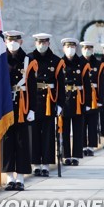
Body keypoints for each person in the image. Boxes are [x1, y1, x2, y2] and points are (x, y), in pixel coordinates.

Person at [1, 30, 35, 191]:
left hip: (23, 106)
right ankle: (9, 177)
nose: (12, 43)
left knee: (22, 142)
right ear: (5, 42)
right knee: (7, 141)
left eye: (15, 40)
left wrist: (33, 109)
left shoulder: (29, 60)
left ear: (21, 42)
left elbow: (33, 87)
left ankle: (20, 177)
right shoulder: (0, 60)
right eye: (9, 40)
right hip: (6, 107)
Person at [27, 33, 65, 177]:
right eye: (39, 42)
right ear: (35, 43)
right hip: (33, 101)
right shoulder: (29, 58)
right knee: (34, 133)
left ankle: (46, 164)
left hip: (50, 101)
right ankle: (36, 164)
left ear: (49, 43)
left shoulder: (56, 60)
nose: (41, 44)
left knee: (48, 134)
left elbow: (60, 84)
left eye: (44, 42)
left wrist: (60, 103)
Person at [60, 38, 91, 166]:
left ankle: (76, 155)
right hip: (65, 99)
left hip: (79, 100)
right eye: (68, 46)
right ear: (63, 48)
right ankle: (67, 155)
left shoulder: (82, 63)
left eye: (72, 46)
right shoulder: (60, 63)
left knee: (78, 129)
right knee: (65, 129)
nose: (70, 49)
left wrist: (88, 103)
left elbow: (87, 85)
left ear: (76, 48)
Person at [80, 41, 104, 156]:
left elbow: (102, 83)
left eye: (89, 48)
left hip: (94, 97)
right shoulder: (78, 62)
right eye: (85, 48)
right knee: (82, 123)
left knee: (93, 123)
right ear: (81, 49)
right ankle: (83, 145)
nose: (87, 50)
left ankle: (91, 146)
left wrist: (100, 100)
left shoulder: (98, 64)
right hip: (82, 97)